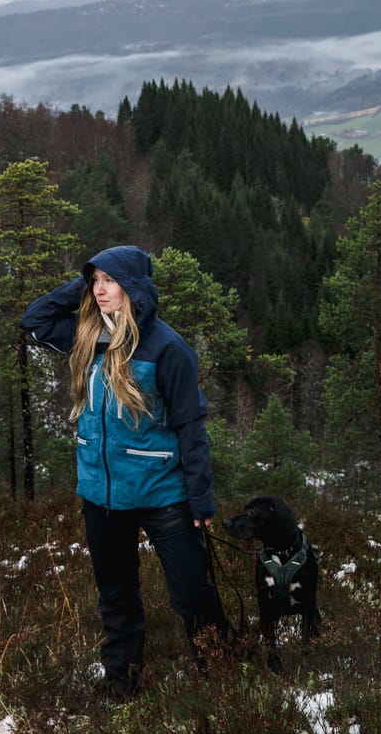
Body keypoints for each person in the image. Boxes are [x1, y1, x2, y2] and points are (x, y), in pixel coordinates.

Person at [22, 245, 227, 700]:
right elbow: (34, 319)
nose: (99, 290)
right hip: (102, 495)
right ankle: (122, 684)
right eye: (94, 281)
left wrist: (201, 500)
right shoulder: (86, 335)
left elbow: (191, 428)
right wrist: (85, 286)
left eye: (109, 281)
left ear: (133, 287)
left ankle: (223, 676)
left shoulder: (168, 348)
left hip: (162, 493)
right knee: (116, 597)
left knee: (192, 593)